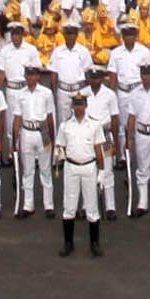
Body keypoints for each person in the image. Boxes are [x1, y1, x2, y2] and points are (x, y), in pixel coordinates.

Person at [57, 84, 111, 257]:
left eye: (81, 104)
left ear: (86, 106)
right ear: (72, 106)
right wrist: (58, 162)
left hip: (89, 166)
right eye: (76, 104)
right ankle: (68, 243)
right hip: (71, 166)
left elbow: (99, 150)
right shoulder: (65, 126)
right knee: (69, 207)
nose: (79, 107)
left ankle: (94, 243)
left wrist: (102, 172)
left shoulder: (94, 125)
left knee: (92, 207)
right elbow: (60, 147)